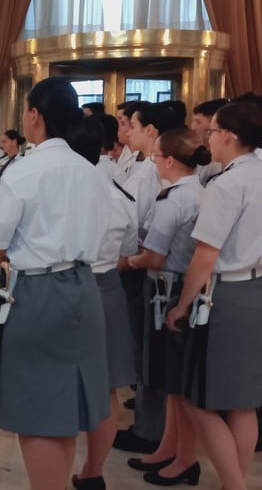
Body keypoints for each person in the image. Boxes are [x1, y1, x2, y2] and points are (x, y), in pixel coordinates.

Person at [0, 77, 111, 490]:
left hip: (36, 291)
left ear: (35, 115)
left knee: (37, 409)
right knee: (65, 404)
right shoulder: (90, 171)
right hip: (85, 289)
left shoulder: (24, 170)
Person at [166, 101, 262, 490]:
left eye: (212, 130)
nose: (208, 138)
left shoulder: (227, 183)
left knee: (198, 399)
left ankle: (235, 485)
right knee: (242, 401)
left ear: (230, 136)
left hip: (227, 295)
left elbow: (205, 255)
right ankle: (232, 483)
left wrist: (182, 304)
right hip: (256, 287)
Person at [126, 128, 210, 486]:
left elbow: (155, 256)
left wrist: (126, 263)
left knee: (169, 377)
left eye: (157, 156)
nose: (154, 161)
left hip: (169, 289)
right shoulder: (199, 192)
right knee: (172, 382)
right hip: (183, 285)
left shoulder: (174, 199)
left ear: (170, 161)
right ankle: (168, 447)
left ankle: (184, 458)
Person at [65, 117, 138, 489]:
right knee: (106, 388)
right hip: (109, 285)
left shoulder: (65, 190)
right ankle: (93, 472)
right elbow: (129, 248)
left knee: (58, 383)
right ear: (109, 147)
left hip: (65, 285)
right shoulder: (120, 194)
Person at [115, 100, 187, 453]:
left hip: (147, 266)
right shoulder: (143, 166)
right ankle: (150, 422)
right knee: (146, 352)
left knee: (150, 355)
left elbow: (137, 221)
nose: (126, 131)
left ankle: (149, 429)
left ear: (151, 131)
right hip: (143, 262)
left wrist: (126, 261)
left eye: (133, 125)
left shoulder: (151, 175)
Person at [191, 98, 228, 184]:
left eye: (198, 122)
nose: (193, 127)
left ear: (213, 123)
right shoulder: (202, 154)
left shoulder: (220, 160)